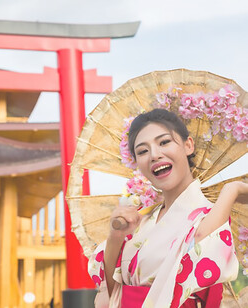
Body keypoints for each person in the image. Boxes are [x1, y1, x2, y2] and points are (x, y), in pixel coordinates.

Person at [88, 109, 248, 308]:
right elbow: (113, 291)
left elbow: (197, 246)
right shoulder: (140, 221)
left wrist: (231, 190)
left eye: (164, 142)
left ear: (188, 145)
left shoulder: (210, 216)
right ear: (137, 163)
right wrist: (115, 236)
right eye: (143, 151)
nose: (154, 155)